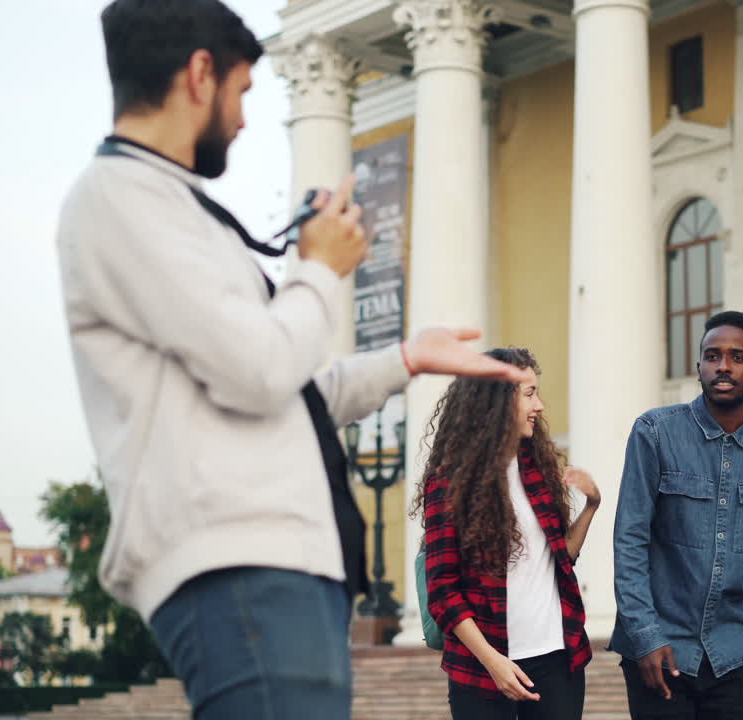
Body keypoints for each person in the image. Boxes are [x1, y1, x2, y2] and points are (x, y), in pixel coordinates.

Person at [56, 2, 525, 718]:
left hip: (269, 565)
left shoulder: (164, 204)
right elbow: (262, 368)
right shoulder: (120, 198)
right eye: (244, 93)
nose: (244, 120)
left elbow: (287, 388)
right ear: (201, 74)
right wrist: (321, 270)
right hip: (237, 563)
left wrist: (406, 358)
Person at [611, 311, 743, 720]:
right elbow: (630, 541)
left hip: (736, 655)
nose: (724, 366)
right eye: (712, 356)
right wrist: (644, 635)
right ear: (698, 366)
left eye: (738, 357)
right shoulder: (654, 432)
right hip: (659, 652)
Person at [415, 347, 599, 720]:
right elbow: (443, 592)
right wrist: (494, 662)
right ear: (496, 401)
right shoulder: (448, 483)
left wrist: (592, 505)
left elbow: (561, 558)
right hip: (482, 669)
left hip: (556, 659)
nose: (540, 406)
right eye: (529, 393)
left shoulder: (537, 469)